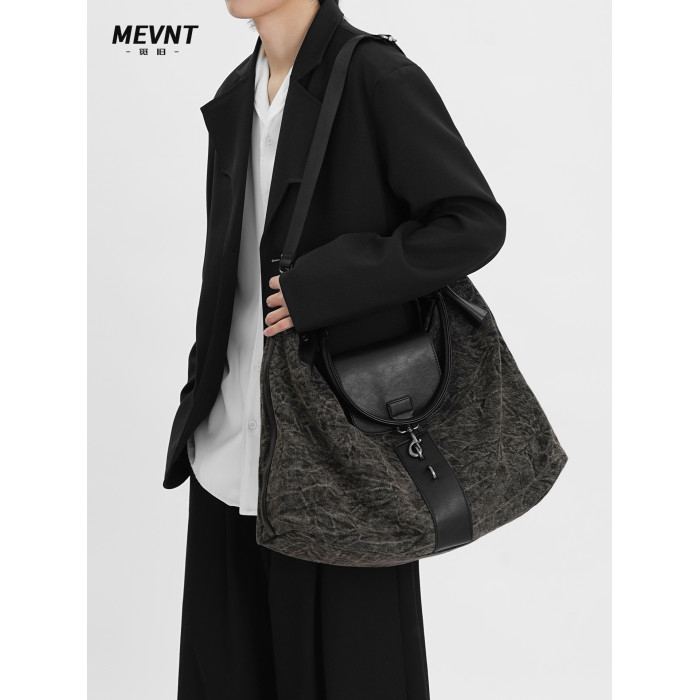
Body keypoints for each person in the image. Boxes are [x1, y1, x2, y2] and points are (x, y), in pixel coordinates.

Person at [165, 0, 507, 698]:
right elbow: (225, 277)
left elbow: (472, 221)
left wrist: (327, 285)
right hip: (226, 452)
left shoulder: (378, 77)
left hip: (343, 457)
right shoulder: (235, 96)